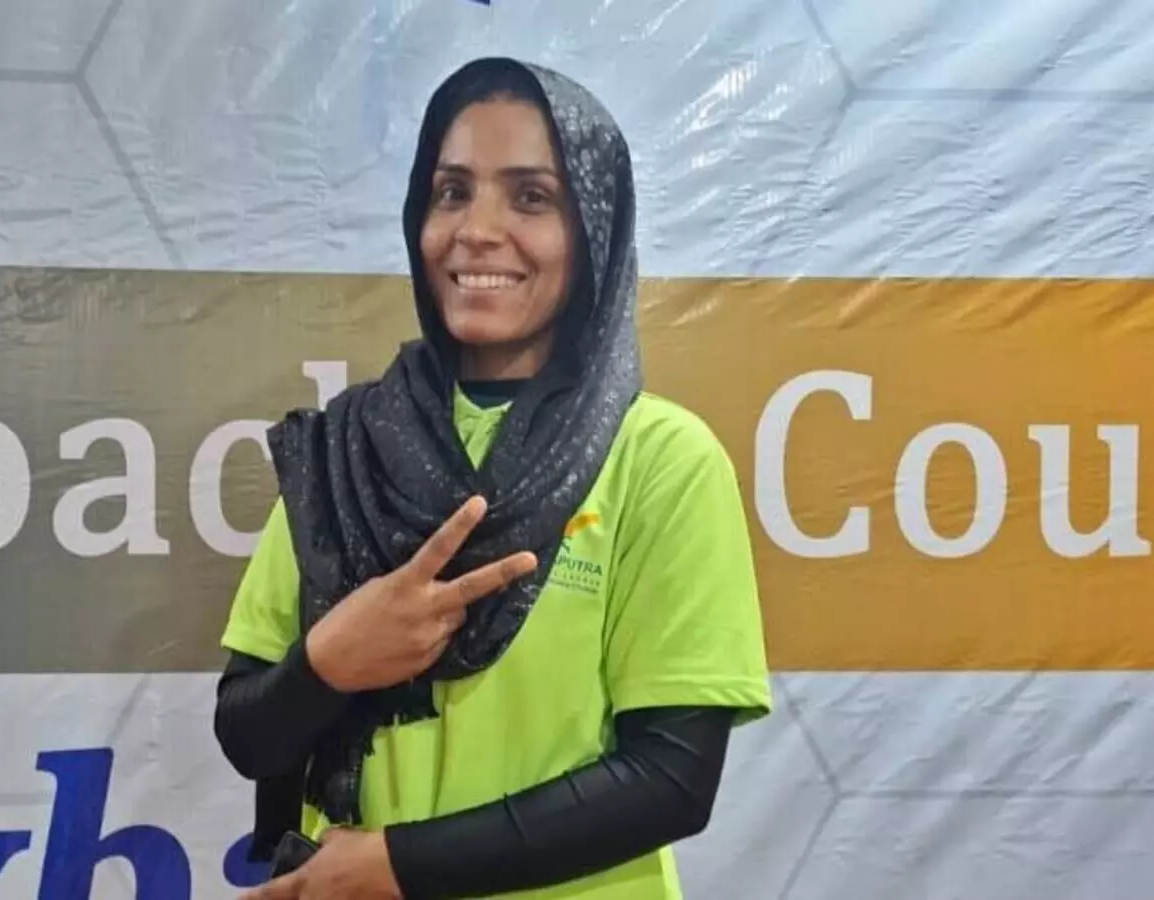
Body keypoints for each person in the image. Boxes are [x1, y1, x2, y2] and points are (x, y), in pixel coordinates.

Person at [213, 56, 771, 900]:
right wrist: (327, 663)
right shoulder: (344, 451)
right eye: (451, 191)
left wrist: (397, 866)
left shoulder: (659, 458)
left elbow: (670, 778)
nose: (477, 229)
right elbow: (249, 737)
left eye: (530, 197)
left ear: (593, 228)